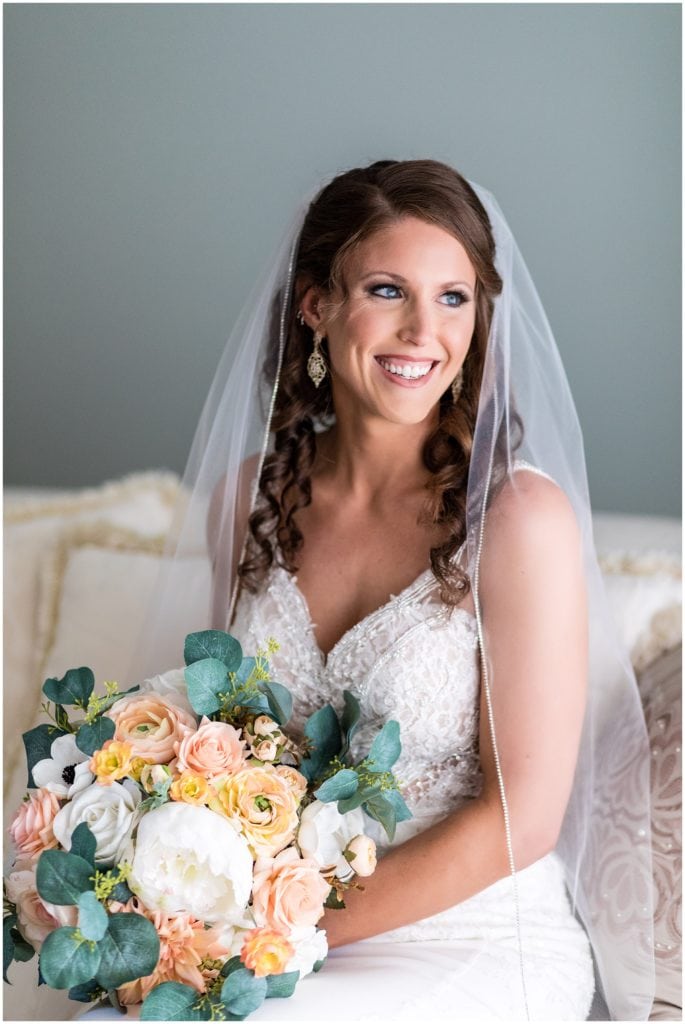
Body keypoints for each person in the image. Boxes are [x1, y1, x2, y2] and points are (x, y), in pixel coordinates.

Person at [128, 159, 655, 1020]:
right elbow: (218, 743)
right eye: (386, 289)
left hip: (469, 940)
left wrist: (268, 927)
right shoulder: (249, 499)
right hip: (277, 935)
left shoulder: (517, 519)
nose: (422, 331)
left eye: (453, 297)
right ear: (316, 306)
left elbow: (521, 819)